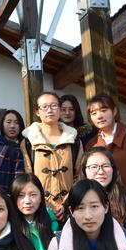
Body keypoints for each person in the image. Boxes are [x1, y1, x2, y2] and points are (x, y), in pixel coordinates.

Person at [21, 92, 83, 221]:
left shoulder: (74, 141)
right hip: (39, 210)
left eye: (54, 106)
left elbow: (80, 175)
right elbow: (27, 178)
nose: (49, 110)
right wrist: (43, 205)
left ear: (60, 109)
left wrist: (66, 204)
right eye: (44, 107)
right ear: (37, 112)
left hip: (70, 208)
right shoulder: (28, 143)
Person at [85, 94, 126, 193]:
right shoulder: (92, 145)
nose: (99, 116)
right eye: (94, 113)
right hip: (105, 200)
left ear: (114, 111)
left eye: (104, 110)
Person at [80, 147, 126, 234]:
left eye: (106, 166)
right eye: (94, 167)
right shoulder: (76, 200)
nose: (101, 172)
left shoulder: (123, 200)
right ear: (84, 171)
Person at [10, 173, 58, 250]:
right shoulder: (9, 227)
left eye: (33, 195)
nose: (27, 201)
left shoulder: (52, 223)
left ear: (41, 197)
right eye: (21, 195)